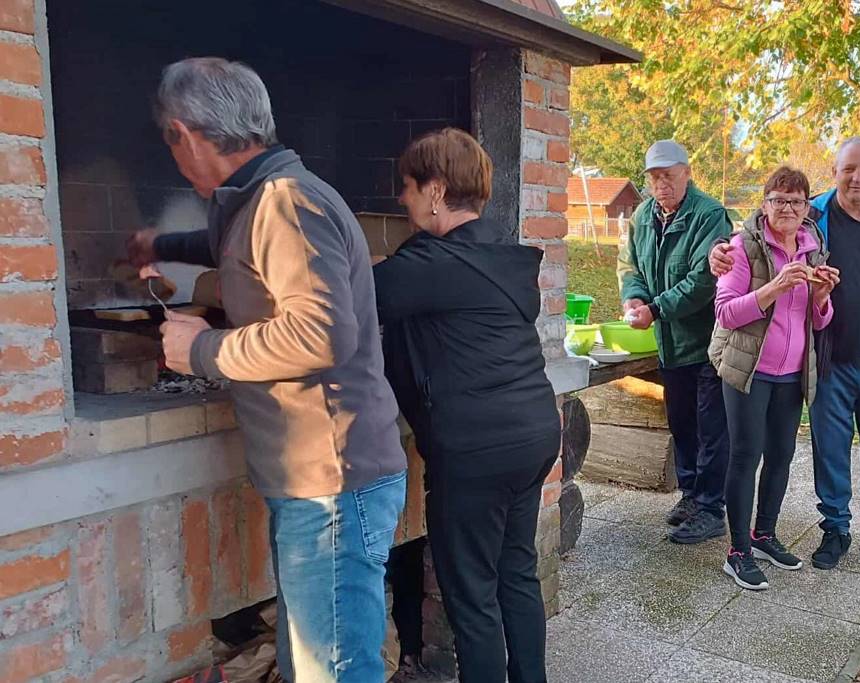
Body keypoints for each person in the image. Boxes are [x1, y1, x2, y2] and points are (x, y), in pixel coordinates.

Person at [130, 57, 408, 682]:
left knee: (332, 670)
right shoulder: (261, 200)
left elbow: (320, 333)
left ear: (185, 134)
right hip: (318, 478)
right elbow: (234, 248)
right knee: (310, 660)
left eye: (170, 144)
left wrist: (203, 349)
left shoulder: (286, 203)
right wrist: (160, 246)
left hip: (332, 481)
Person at [709, 137, 860, 570]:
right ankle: (835, 529)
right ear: (834, 173)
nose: (857, 178)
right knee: (830, 450)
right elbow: (758, 227)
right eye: (848, 169)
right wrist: (716, 247)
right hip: (826, 361)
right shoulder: (816, 215)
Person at [373, 128, 560, 683]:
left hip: (477, 451)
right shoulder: (500, 254)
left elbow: (345, 295)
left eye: (408, 187)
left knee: (473, 597)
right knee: (516, 574)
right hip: (534, 432)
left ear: (435, 191)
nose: (402, 199)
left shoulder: (431, 264)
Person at [709, 167, 838, 590]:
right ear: (764, 204)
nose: (787, 208)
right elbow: (726, 313)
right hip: (749, 369)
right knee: (746, 456)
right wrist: (774, 288)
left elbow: (818, 320)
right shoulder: (742, 247)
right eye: (778, 200)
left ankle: (763, 535)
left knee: (781, 455)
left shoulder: (812, 246)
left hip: (792, 371)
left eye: (796, 201)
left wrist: (821, 297)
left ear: (806, 208)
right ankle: (737, 552)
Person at [618, 140, 732, 544]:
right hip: (668, 343)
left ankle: (712, 509)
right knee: (681, 422)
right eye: (654, 177)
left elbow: (703, 281)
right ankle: (690, 496)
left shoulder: (710, 215)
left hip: (707, 343)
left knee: (710, 429)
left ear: (687, 172)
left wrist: (656, 309)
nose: (660, 184)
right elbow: (630, 265)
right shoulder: (642, 216)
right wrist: (633, 297)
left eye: (668, 175)